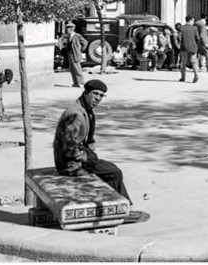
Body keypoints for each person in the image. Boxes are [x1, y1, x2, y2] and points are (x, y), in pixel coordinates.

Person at [53, 79, 149, 224]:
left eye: (101, 96)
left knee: (109, 167)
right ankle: (122, 211)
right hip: (69, 164)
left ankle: (118, 207)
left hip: (78, 157)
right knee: (113, 173)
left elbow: (88, 140)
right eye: (95, 94)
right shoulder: (75, 114)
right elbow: (69, 149)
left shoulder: (86, 111)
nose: (97, 98)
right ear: (86, 93)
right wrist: (86, 158)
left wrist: (91, 153)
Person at [178, 15, 200, 83]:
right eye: (193, 20)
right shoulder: (194, 28)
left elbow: (179, 38)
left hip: (184, 47)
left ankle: (183, 77)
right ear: (190, 20)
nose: (193, 22)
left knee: (183, 63)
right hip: (193, 47)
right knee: (194, 62)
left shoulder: (182, 28)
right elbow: (197, 38)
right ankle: (196, 75)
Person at [66, 24, 88, 88]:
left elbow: (85, 43)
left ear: (71, 29)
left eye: (68, 28)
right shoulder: (69, 36)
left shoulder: (77, 36)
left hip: (75, 53)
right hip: (70, 53)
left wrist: (80, 50)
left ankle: (81, 82)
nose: (67, 30)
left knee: (77, 68)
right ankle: (75, 82)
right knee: (72, 69)